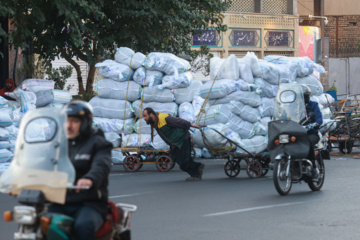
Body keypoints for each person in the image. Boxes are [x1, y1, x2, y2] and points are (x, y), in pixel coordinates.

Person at [50, 101, 113, 240]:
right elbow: (42, 164)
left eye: (74, 121)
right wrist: (21, 181)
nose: (69, 125)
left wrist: (90, 179)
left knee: (83, 227)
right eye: (66, 121)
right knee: (35, 222)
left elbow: (101, 165)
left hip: (89, 203)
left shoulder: (98, 143)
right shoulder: (58, 144)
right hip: (59, 201)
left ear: (85, 122)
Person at [143, 107, 205, 181]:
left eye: (145, 116)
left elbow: (180, 121)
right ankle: (197, 170)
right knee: (177, 159)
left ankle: (197, 171)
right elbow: (165, 135)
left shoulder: (164, 118)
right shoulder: (155, 123)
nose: (144, 118)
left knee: (185, 160)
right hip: (175, 142)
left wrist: (192, 125)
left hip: (182, 139)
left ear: (151, 114)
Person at [303, 86, 323, 178]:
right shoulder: (293, 107)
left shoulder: (313, 105)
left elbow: (319, 119)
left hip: (312, 133)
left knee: (307, 141)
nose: (304, 99)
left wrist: (313, 125)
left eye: (305, 96)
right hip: (296, 133)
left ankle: (313, 167)